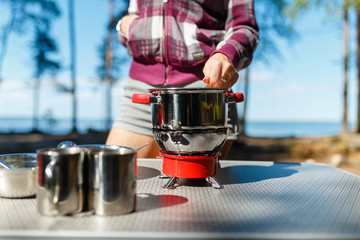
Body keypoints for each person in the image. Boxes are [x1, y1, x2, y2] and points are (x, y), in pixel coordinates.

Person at [106, 0, 259, 158]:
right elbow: (136, 14)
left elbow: (245, 27)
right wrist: (125, 27)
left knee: (194, 181)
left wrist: (226, 54)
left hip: (203, 93)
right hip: (143, 91)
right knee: (114, 174)